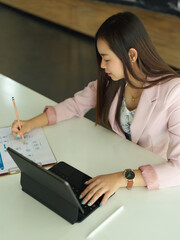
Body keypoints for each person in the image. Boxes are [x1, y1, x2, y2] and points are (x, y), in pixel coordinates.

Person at [12, 12, 180, 207]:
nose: (102, 65)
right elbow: (75, 104)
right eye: (101, 58)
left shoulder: (173, 91)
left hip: (152, 183)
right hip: (118, 165)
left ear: (132, 55)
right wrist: (31, 124)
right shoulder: (114, 81)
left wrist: (121, 178)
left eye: (107, 59)